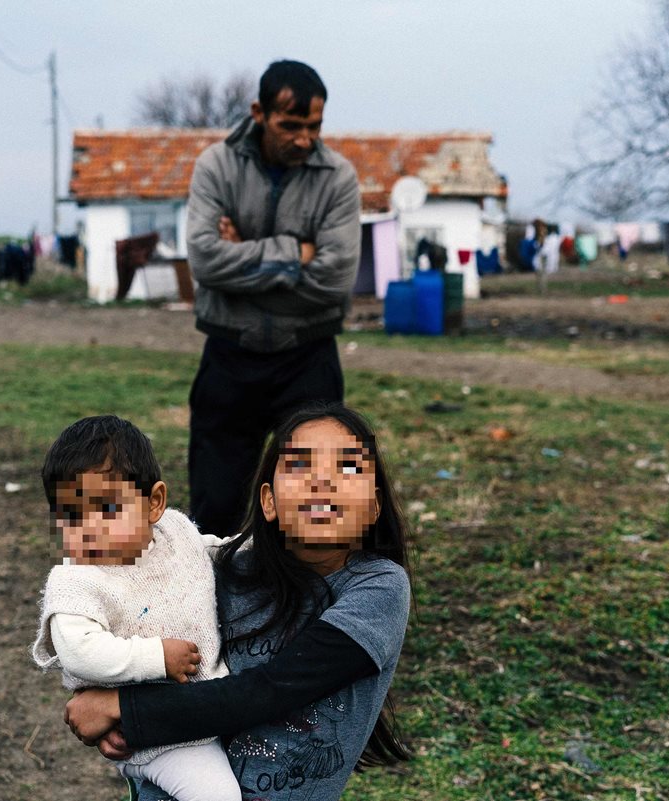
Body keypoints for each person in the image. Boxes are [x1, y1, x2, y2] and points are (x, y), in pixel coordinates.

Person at [65, 403, 411, 801]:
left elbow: (271, 689)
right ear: (269, 502)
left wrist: (127, 711)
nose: (322, 481)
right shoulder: (222, 569)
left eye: (347, 468)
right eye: (300, 466)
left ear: (374, 505)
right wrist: (96, 690)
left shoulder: (378, 589)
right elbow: (125, 603)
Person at [186, 59, 363, 539]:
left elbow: (333, 279)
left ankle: (305, 608)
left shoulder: (339, 178)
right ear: (259, 112)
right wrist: (296, 254)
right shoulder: (216, 166)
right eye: (290, 125)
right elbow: (203, 261)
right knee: (214, 508)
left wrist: (241, 252)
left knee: (314, 506)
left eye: (314, 126)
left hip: (308, 358)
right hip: (229, 357)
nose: (304, 139)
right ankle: (210, 608)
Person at [30, 416, 240, 801]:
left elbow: (209, 549)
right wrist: (155, 656)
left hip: (206, 703)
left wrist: (252, 547)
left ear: (154, 503)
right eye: (72, 516)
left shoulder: (175, 533)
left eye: (107, 508)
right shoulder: (75, 581)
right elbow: (81, 653)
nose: (90, 527)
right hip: (153, 735)